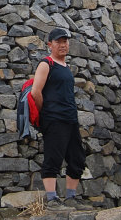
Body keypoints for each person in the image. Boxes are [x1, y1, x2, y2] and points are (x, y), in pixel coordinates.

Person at [29, 28, 87, 210]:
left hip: (70, 119)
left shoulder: (65, 67)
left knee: (77, 158)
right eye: (58, 42)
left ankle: (71, 197)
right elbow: (35, 91)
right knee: (53, 157)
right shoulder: (46, 64)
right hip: (54, 119)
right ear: (50, 45)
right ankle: (52, 199)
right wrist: (45, 112)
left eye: (65, 42)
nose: (63, 45)